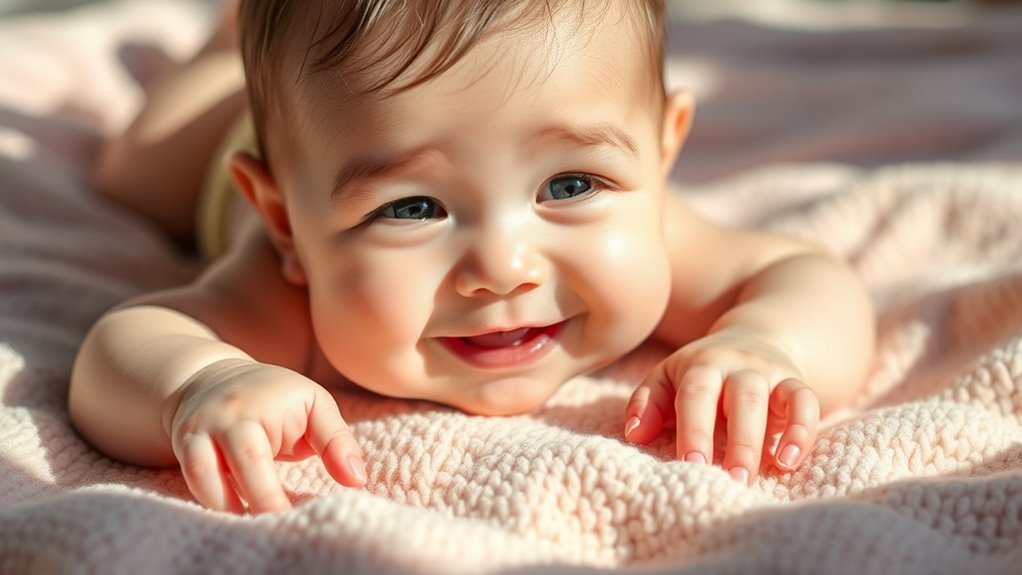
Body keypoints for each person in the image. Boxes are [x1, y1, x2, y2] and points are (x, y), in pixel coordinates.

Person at [69, 0, 875, 515]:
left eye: (568, 183)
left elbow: (805, 277)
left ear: (662, 155)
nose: (503, 266)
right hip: (224, 141)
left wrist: (768, 343)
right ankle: (228, 40)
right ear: (286, 225)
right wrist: (200, 383)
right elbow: (124, 346)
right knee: (137, 165)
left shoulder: (650, 228)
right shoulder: (285, 288)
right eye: (411, 207)